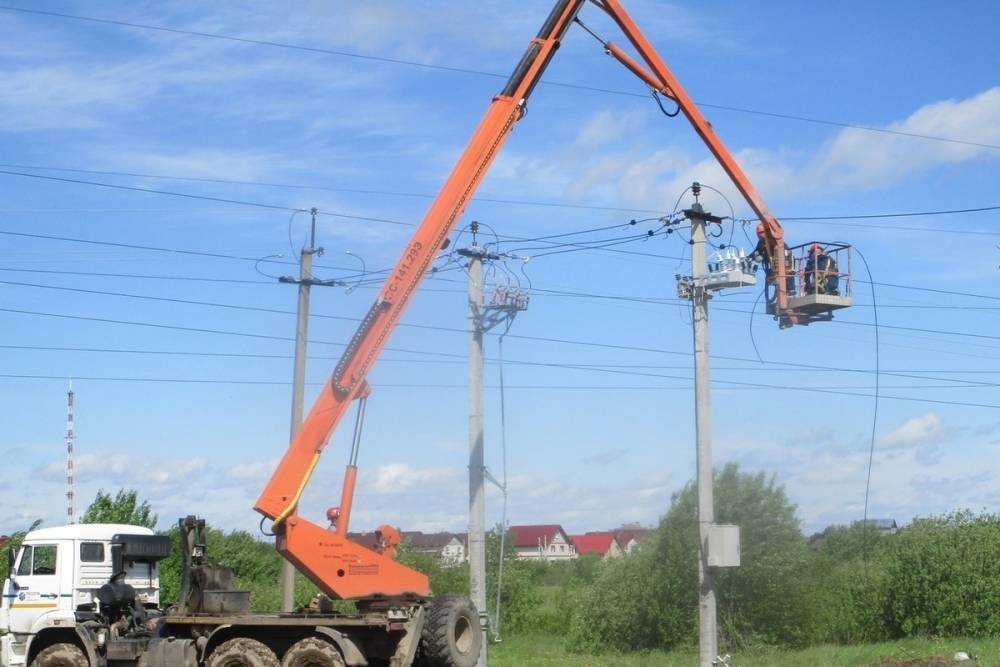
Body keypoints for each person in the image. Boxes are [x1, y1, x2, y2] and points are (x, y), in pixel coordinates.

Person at [749, 223, 795, 301]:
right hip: (773, 264)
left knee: (788, 272)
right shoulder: (761, 242)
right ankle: (781, 290)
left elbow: (779, 250)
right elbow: (756, 251)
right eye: (759, 234)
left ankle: (791, 290)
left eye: (762, 233)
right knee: (773, 274)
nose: (760, 235)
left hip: (786, 258)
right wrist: (749, 258)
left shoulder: (775, 240)